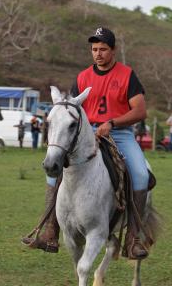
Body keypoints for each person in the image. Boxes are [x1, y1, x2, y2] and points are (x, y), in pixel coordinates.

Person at [22, 27, 151, 260]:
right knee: (54, 171)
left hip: (119, 134)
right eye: (94, 49)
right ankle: (51, 229)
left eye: (103, 49)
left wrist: (112, 123)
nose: (98, 54)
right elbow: (72, 109)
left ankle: (133, 237)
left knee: (141, 175)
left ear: (113, 50)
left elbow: (140, 111)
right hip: (85, 134)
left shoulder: (126, 75)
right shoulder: (82, 77)